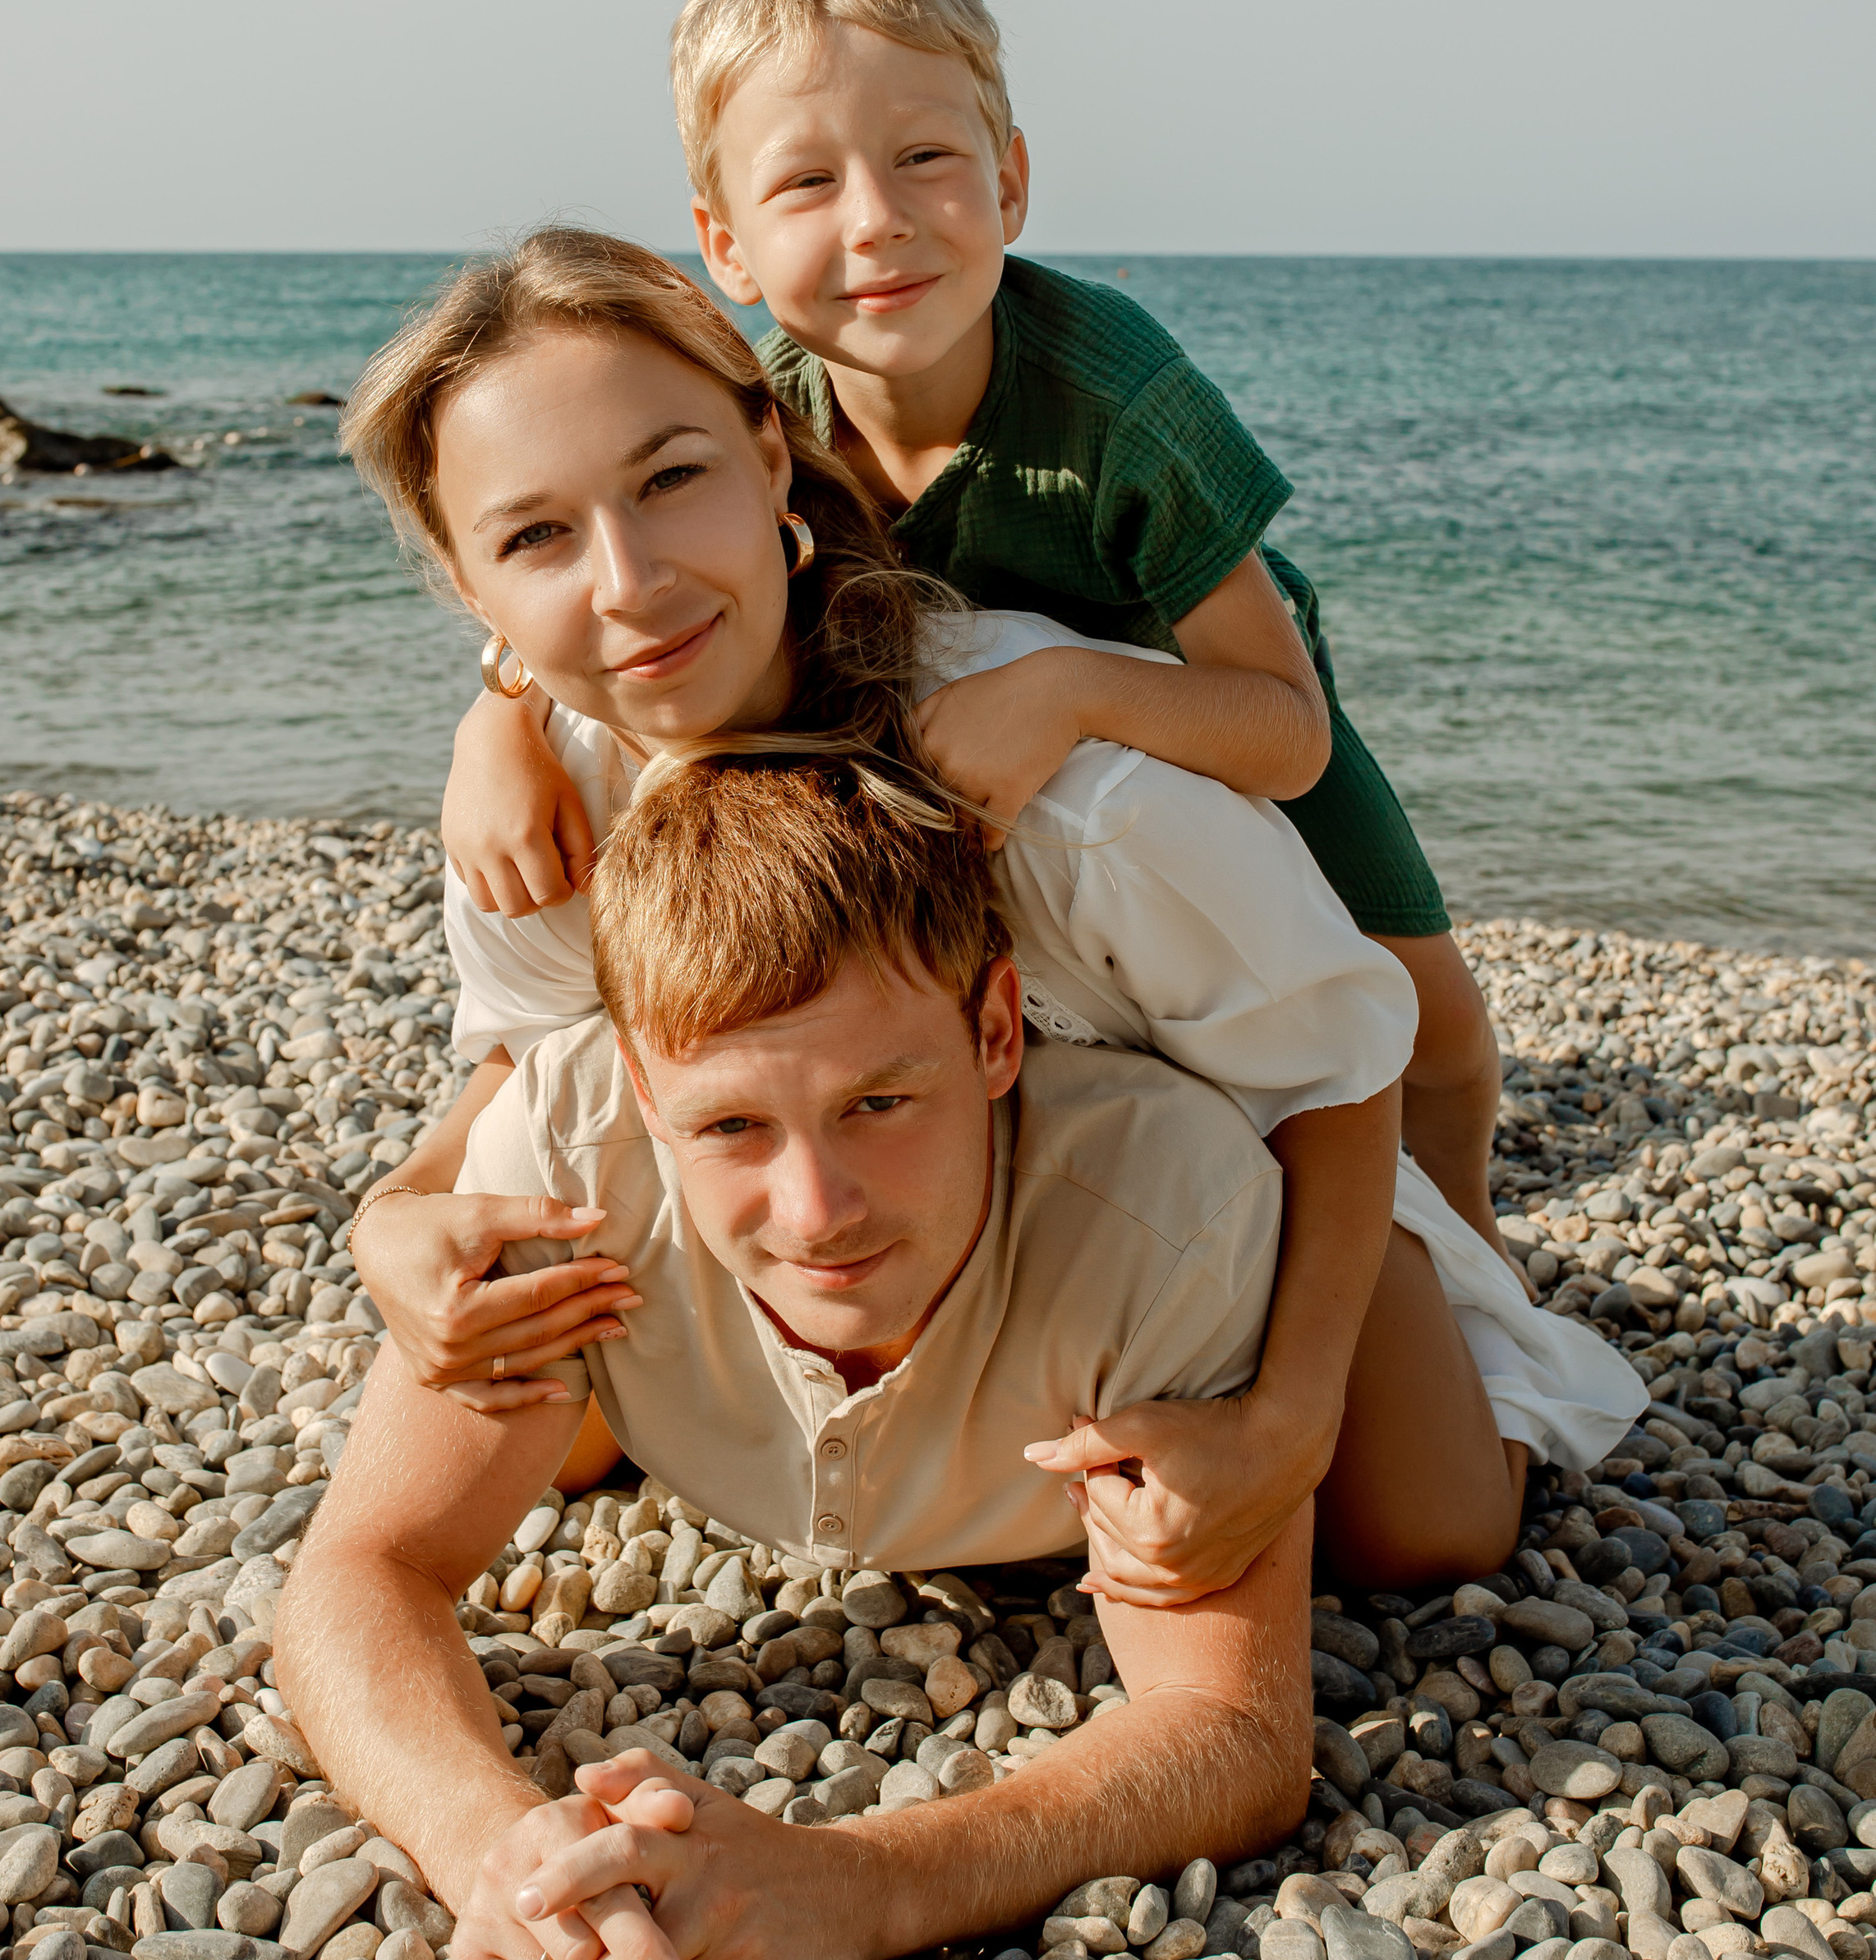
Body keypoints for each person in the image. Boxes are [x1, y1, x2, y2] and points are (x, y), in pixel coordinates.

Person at [337, 232, 1641, 1601]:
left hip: (1210, 1198)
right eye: (536, 535)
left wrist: (1285, 1420)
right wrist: (392, 1222)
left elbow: (1336, 1072)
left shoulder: (1070, 790)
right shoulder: (545, 802)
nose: (631, 582)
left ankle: (1460, 1338)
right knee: (551, 1419)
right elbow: (532, 1062)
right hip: (857, 1193)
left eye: (672, 479)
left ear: (772, 458)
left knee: (1426, 1539)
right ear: (468, 586)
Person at [275, 752, 1525, 1960]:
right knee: (563, 1420)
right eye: (731, 1129)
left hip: (1259, 1229)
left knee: (1431, 1532)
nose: (818, 1213)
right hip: (678, 1304)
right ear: (646, 1090)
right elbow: (357, 1571)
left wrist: (855, 1886)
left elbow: (1234, 1732)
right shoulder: (564, 1160)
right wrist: (500, 1853)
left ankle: (1457, 1238)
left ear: (994, 1033)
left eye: (880, 1101)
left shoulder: (1168, 1212)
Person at [443, 0, 1504, 1249]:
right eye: (807, 183)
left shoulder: (1117, 395)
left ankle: (1472, 1246)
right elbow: (600, 557)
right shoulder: (758, 419)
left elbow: (1284, 734)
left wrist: (1069, 690)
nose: (878, 221)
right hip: (967, 705)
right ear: (725, 246)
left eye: (925, 159)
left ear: (1008, 183)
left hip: (1193, 679)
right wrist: (498, 723)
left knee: (1430, 1015)